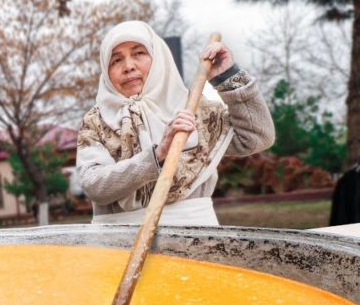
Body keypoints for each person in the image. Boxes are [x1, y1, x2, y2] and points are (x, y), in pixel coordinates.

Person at [76, 21, 274, 225]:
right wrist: (157, 155)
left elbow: (257, 138)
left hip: (194, 240)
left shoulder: (195, 109)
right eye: (115, 60)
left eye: (138, 54)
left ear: (158, 57)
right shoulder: (97, 121)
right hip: (116, 247)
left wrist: (227, 76)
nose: (128, 67)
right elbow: (95, 185)